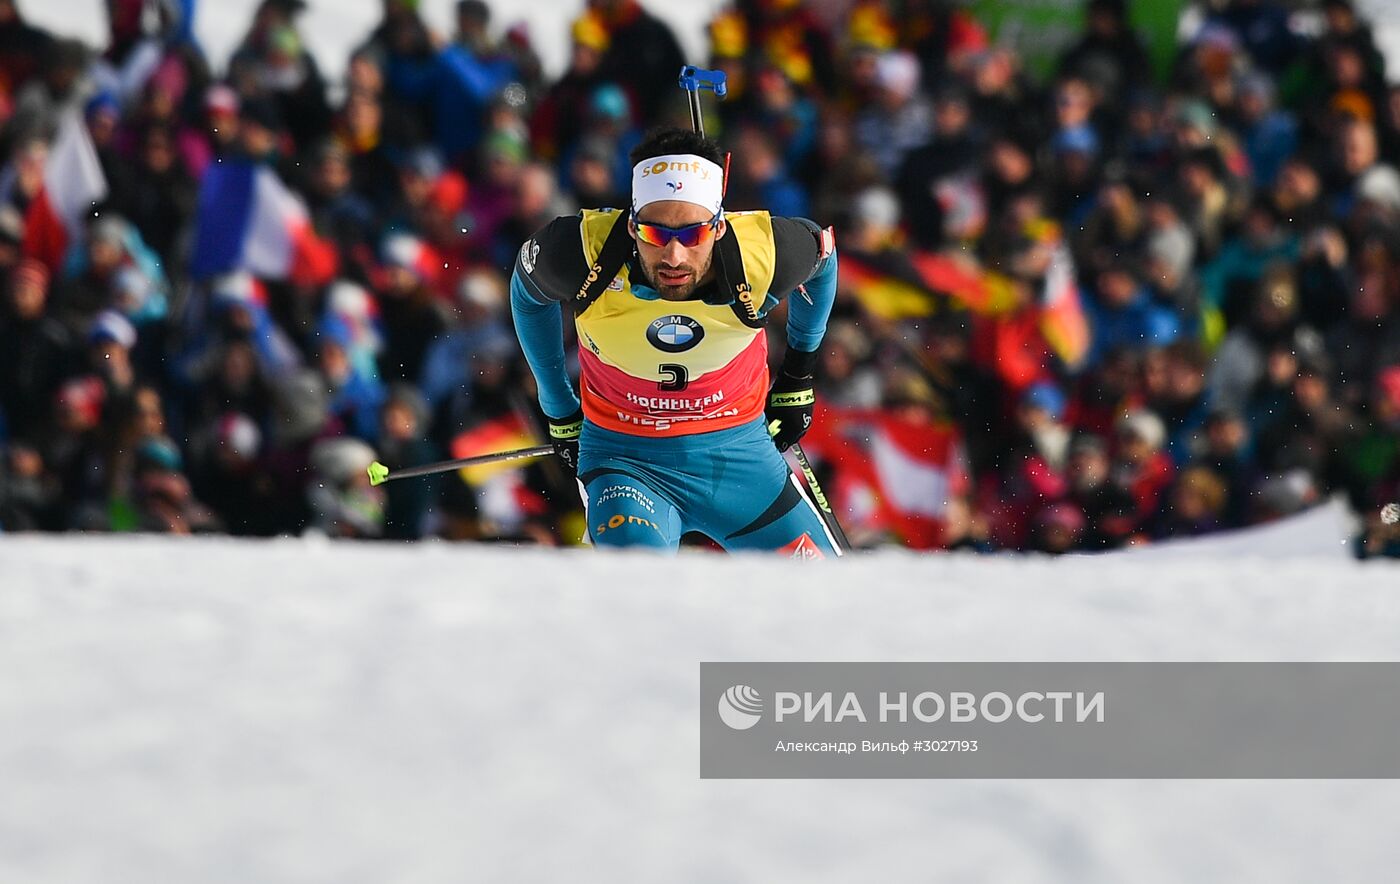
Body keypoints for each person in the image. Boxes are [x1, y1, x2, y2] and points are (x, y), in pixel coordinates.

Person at [509, 127, 841, 556]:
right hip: (625, 462)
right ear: (631, 225)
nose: (674, 256)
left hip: (740, 461)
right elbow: (527, 295)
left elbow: (823, 258)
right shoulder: (579, 250)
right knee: (639, 582)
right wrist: (557, 404)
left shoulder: (764, 254)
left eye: (692, 234)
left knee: (825, 600)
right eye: (654, 233)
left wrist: (798, 377)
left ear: (719, 228)